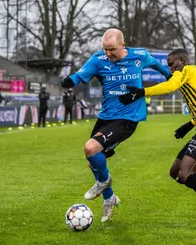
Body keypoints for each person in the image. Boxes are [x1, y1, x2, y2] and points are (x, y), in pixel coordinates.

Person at [60, 28, 170, 223]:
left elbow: (157, 66)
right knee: (92, 159)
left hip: (128, 118)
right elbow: (80, 75)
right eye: (105, 49)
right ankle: (109, 198)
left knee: (90, 148)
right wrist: (70, 81)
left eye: (111, 49)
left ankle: (103, 183)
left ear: (123, 46)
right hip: (106, 116)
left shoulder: (139, 56)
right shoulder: (98, 60)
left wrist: (172, 77)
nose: (108, 53)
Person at [119, 48, 196, 228]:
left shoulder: (186, 71)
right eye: (169, 66)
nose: (171, 69)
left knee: (187, 174)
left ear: (182, 60)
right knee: (176, 173)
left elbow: (170, 86)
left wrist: (141, 92)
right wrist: (190, 124)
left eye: (172, 64)